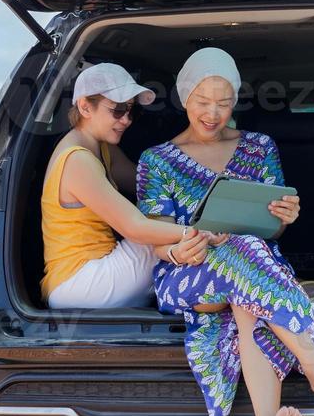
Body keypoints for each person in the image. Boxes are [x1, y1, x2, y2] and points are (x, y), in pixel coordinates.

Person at [136, 47, 314, 416]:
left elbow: (271, 229)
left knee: (248, 296)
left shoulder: (259, 147)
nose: (213, 112)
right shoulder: (157, 160)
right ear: (186, 99)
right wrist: (178, 246)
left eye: (223, 103)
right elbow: (155, 240)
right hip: (189, 274)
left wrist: (285, 218)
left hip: (254, 269)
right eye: (203, 102)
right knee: (242, 256)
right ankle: (313, 357)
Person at [40, 62, 214, 310]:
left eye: (131, 111)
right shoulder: (76, 159)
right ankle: (213, 291)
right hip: (79, 283)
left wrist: (207, 185)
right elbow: (135, 228)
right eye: (118, 110)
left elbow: (149, 184)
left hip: (98, 275)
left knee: (167, 218)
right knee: (159, 235)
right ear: (85, 107)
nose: (126, 120)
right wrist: (199, 232)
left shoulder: (101, 148)